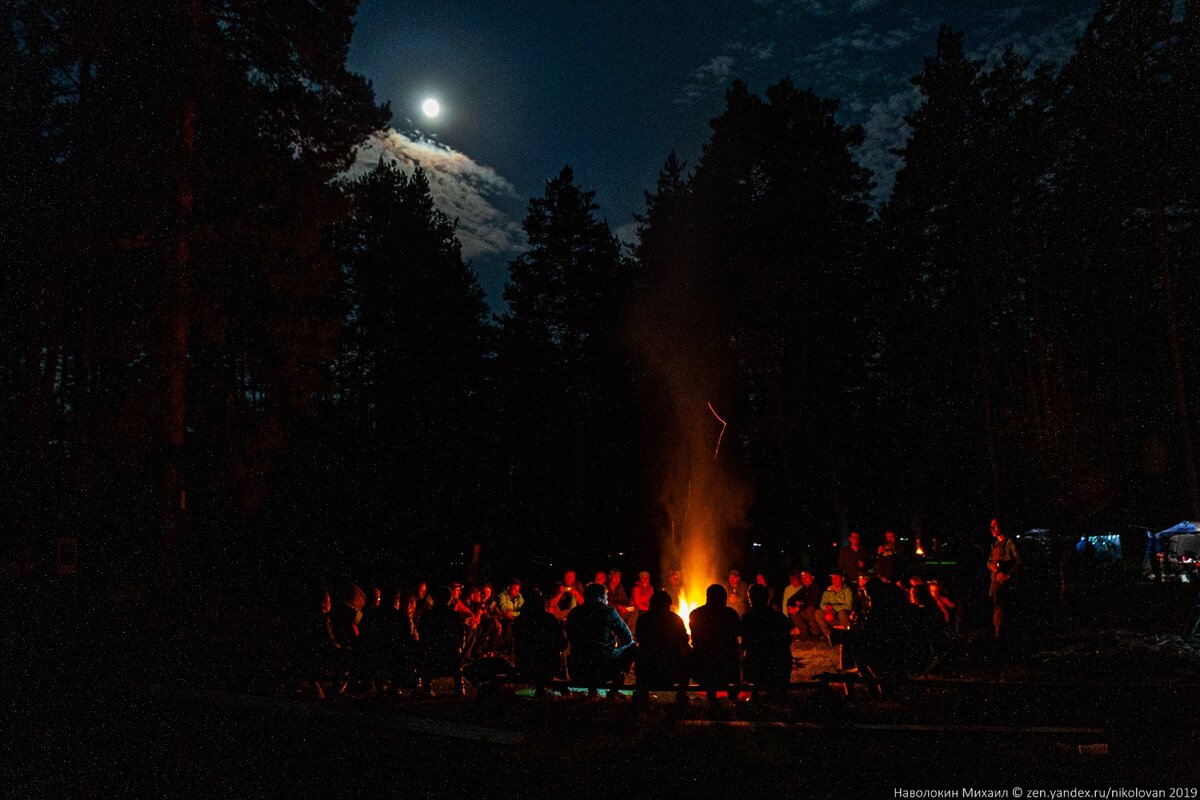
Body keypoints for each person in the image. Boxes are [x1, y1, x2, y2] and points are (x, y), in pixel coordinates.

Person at [566, 583, 637, 699]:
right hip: (603, 668)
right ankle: (614, 688)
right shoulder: (608, 611)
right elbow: (628, 637)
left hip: (578, 668)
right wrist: (613, 640)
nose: (607, 601)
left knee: (591, 652)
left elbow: (570, 637)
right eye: (606, 597)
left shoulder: (574, 613)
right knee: (632, 645)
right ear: (599, 598)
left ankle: (592, 692)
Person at [632, 590, 690, 702]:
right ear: (668, 604)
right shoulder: (675, 619)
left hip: (648, 673)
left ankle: (642, 692)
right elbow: (684, 640)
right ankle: (682, 693)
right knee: (689, 651)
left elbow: (639, 638)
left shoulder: (643, 619)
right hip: (672, 674)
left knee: (638, 650)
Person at [689, 584, 741, 702]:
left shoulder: (695, 614)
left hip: (703, 667)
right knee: (735, 649)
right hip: (726, 666)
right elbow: (738, 632)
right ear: (723, 598)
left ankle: (711, 693)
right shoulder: (730, 614)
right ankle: (733, 695)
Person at [740, 584, 793, 699]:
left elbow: (746, 644)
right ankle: (778, 692)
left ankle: (755, 692)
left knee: (746, 654)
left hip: (757, 667)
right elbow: (787, 641)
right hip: (779, 666)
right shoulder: (779, 617)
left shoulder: (747, 619)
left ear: (751, 599)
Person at [512, 589, 568, 698]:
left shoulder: (519, 620)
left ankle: (552, 688)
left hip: (524, 665)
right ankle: (563, 688)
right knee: (560, 654)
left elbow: (516, 640)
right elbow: (562, 644)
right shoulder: (549, 619)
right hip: (549, 666)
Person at [418, 585, 466, 697]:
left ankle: (427, 688)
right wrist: (459, 649)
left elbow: (422, 634)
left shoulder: (427, 615)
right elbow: (461, 636)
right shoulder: (454, 616)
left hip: (431, 654)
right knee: (456, 655)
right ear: (449, 599)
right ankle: (459, 687)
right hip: (450, 654)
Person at [987, 518, 1020, 644]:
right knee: (998, 608)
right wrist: (991, 565)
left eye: (995, 526)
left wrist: (1008, 575)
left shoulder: (1010, 543)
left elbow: (1020, 561)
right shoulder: (995, 544)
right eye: (991, 526)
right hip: (996, 584)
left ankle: (1005, 639)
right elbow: (989, 561)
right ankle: (998, 634)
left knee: (1005, 610)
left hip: (1006, 585)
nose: (992, 529)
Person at [814, 571, 854, 644]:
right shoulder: (828, 591)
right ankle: (829, 635)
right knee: (818, 613)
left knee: (842, 612)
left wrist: (833, 607)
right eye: (832, 578)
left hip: (842, 614)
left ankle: (849, 634)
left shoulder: (847, 590)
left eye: (836, 578)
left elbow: (849, 606)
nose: (834, 580)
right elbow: (822, 603)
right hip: (831, 613)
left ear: (842, 579)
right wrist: (827, 608)